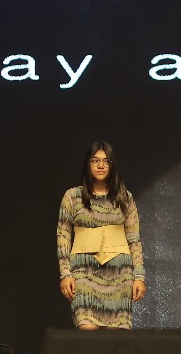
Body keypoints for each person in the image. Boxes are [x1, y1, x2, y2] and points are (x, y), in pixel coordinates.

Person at [57, 141, 147, 329]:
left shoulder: (125, 197)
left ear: (113, 165)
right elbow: (63, 236)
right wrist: (65, 273)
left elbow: (134, 239)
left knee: (115, 338)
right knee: (87, 330)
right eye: (95, 160)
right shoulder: (73, 196)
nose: (101, 165)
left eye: (106, 161)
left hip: (119, 273)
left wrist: (139, 276)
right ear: (87, 164)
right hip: (83, 271)